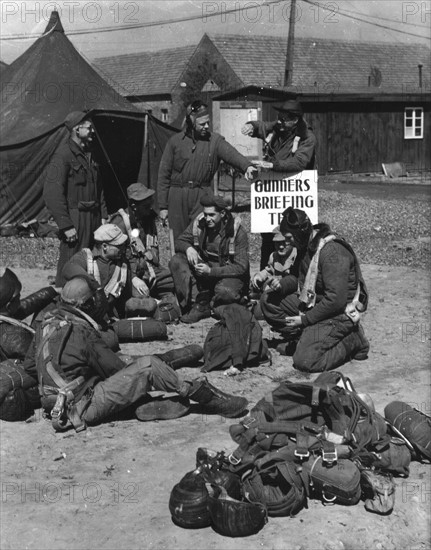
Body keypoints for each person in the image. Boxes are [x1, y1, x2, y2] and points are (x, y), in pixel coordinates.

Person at [35, 276, 248, 431]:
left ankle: (140, 406)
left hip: (53, 403)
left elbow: (30, 367)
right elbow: (116, 370)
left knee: (125, 375)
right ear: (87, 304)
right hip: (80, 407)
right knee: (147, 365)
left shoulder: (45, 324)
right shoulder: (82, 332)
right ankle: (202, 395)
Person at [260, 207, 370, 373]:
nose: (288, 243)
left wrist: (305, 320)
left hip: (339, 313)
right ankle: (306, 336)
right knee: (269, 300)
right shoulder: (305, 246)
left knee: (304, 361)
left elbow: (336, 301)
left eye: (290, 238)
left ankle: (353, 340)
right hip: (314, 304)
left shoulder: (332, 252)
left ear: (300, 233)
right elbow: (297, 278)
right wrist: (281, 284)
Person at [157, 100, 257, 240]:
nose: (206, 126)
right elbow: (163, 174)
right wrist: (163, 206)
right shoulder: (175, 142)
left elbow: (231, 154)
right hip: (177, 196)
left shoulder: (214, 141)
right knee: (178, 239)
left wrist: (247, 166)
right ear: (191, 123)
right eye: (202, 124)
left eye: (208, 123)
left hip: (201, 196)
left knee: (201, 236)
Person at [241, 100, 317, 270]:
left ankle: (295, 280)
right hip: (273, 196)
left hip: (294, 197)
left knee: (294, 240)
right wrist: (251, 126)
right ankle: (264, 280)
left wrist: (273, 165)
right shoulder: (279, 127)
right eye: (279, 118)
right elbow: (263, 126)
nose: (279, 122)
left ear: (295, 120)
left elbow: (299, 162)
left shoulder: (307, 138)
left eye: (283, 120)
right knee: (269, 239)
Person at [44, 111, 108, 286]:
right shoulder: (62, 156)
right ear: (77, 129)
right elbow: (52, 194)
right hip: (76, 219)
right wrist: (66, 225)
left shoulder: (90, 155)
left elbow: (99, 188)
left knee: (91, 261)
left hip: (93, 218)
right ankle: (62, 302)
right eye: (89, 127)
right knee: (70, 263)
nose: (93, 131)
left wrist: (103, 215)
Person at [169, 194, 249, 324]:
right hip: (204, 273)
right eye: (205, 214)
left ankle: (217, 302)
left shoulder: (237, 232)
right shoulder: (199, 223)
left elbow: (241, 267)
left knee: (225, 292)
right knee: (177, 261)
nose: (207, 218)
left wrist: (211, 271)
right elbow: (180, 241)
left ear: (222, 213)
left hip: (226, 274)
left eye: (212, 215)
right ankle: (197, 303)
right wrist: (189, 248)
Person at [61, 223, 156, 319]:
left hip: (105, 315)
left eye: (123, 245)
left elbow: (126, 293)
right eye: (119, 246)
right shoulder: (85, 257)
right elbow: (68, 269)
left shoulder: (122, 263)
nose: (123, 248)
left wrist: (134, 278)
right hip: (80, 314)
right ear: (105, 246)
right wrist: (94, 286)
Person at [109, 183, 174, 299]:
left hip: (148, 269)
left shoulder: (148, 217)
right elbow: (113, 259)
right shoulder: (119, 223)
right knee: (141, 297)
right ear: (133, 205)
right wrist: (133, 277)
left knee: (174, 279)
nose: (150, 208)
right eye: (146, 206)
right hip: (128, 274)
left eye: (150, 204)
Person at [251, 226, 297, 295]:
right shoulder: (273, 256)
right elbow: (269, 270)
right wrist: (260, 276)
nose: (281, 247)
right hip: (276, 288)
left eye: (284, 243)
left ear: (291, 242)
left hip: (291, 291)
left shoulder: (296, 256)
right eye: (278, 243)